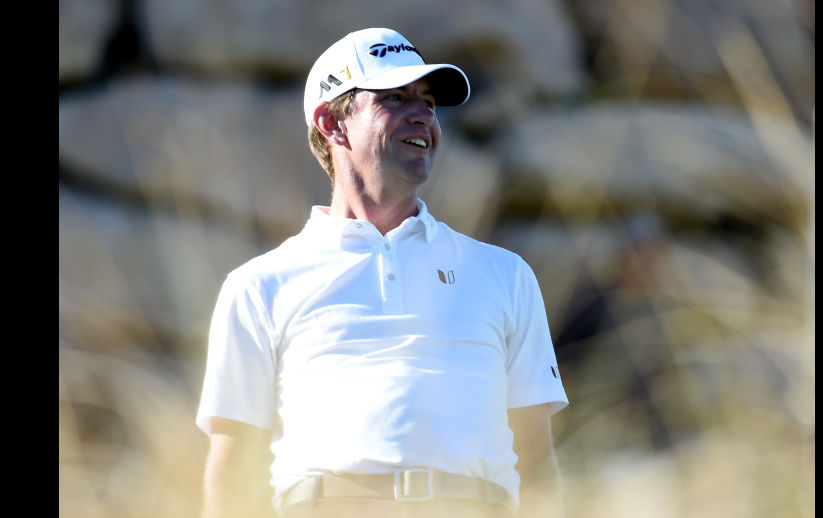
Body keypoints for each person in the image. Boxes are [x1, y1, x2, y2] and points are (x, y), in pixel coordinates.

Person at [196, 27, 568, 518]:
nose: (424, 116)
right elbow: (231, 474)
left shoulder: (506, 275)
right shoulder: (259, 285)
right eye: (395, 98)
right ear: (332, 122)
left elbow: (539, 464)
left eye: (430, 102)